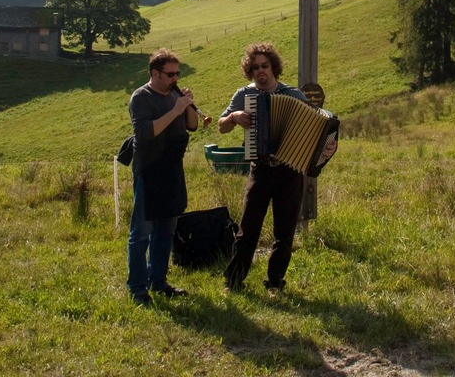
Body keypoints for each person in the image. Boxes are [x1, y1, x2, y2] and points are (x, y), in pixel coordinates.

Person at [218, 42, 336, 293]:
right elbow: (221, 125)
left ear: (273, 67)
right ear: (249, 71)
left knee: (284, 232)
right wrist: (233, 117)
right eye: (255, 67)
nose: (260, 71)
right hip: (259, 169)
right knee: (248, 229)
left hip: (289, 171)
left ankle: (275, 283)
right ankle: (234, 281)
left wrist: (327, 147)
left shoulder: (293, 95)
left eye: (264, 66)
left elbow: (319, 128)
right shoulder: (243, 95)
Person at [126, 47, 210, 305]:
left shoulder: (175, 95)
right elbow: (144, 133)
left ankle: (159, 281)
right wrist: (175, 110)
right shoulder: (142, 97)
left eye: (177, 73)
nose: (175, 78)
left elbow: (193, 126)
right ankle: (138, 289)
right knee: (142, 232)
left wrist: (186, 107)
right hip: (150, 170)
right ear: (155, 73)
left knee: (166, 230)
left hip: (173, 168)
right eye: (170, 74)